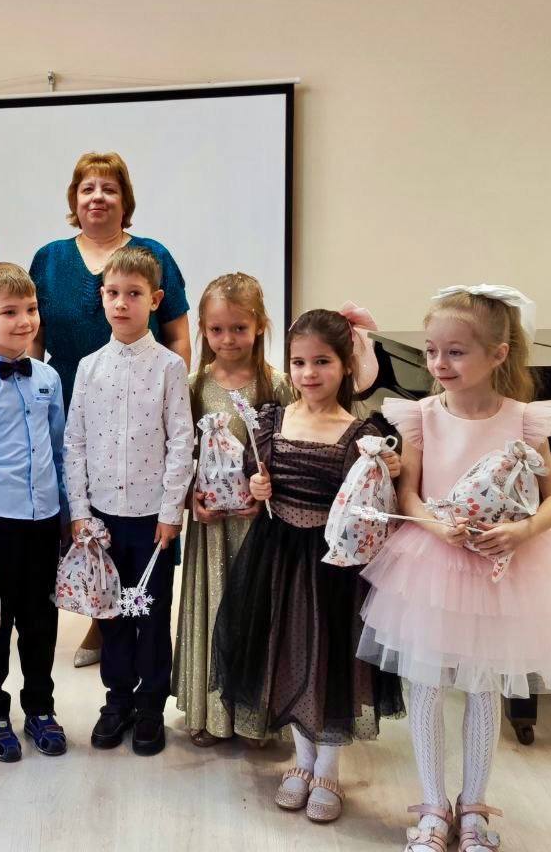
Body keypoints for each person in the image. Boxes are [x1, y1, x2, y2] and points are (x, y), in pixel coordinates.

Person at [357, 286, 551, 852]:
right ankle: (433, 807)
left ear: (498, 354)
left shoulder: (523, 422)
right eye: (432, 350)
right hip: (432, 566)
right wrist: (437, 527)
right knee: (426, 686)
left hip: (501, 570)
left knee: (485, 687)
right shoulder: (421, 416)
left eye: (456, 352)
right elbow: (409, 495)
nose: (439, 363)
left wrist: (523, 530)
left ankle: (474, 810)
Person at [213, 308, 405, 824]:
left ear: (346, 366)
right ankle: (301, 760)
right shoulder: (272, 420)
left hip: (333, 565)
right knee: (286, 653)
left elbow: (373, 500)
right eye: (299, 362)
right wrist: (258, 486)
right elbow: (254, 481)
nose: (309, 373)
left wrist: (390, 467)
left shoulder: (362, 433)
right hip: (277, 557)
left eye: (322, 361)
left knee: (331, 659)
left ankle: (329, 768)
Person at [29, 151, 190, 667]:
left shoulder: (151, 253)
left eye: (109, 188)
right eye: (87, 188)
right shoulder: (49, 258)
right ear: (74, 199)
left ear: (125, 199)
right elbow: (34, 338)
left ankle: (112, 630)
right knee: (80, 514)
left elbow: (178, 335)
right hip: (67, 400)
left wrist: (170, 397)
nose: (97, 197)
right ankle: (98, 609)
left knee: (131, 521)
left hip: (141, 405)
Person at [64, 246, 193, 756]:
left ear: (155, 300)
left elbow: (181, 441)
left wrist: (171, 513)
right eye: (113, 293)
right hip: (102, 520)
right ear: (102, 297)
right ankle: (117, 699)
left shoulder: (169, 367)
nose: (122, 303)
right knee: (111, 613)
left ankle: (150, 704)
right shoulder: (89, 367)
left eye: (134, 294)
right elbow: (74, 442)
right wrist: (79, 512)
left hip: (151, 520)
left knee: (151, 615)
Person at [172, 273, 294, 746]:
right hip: (211, 527)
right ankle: (212, 714)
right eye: (217, 329)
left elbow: (290, 450)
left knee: (254, 612)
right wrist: (191, 498)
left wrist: (269, 492)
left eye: (239, 328)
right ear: (203, 329)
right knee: (214, 605)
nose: (228, 339)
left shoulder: (276, 385)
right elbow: (180, 452)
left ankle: (253, 717)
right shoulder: (193, 385)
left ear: (260, 325)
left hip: (258, 526)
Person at [0, 263, 68, 762]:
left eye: (31, 309)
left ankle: (40, 708)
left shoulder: (47, 377)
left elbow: (60, 452)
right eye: (10, 312)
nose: (24, 321)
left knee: (41, 622)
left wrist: (68, 517)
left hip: (44, 523)